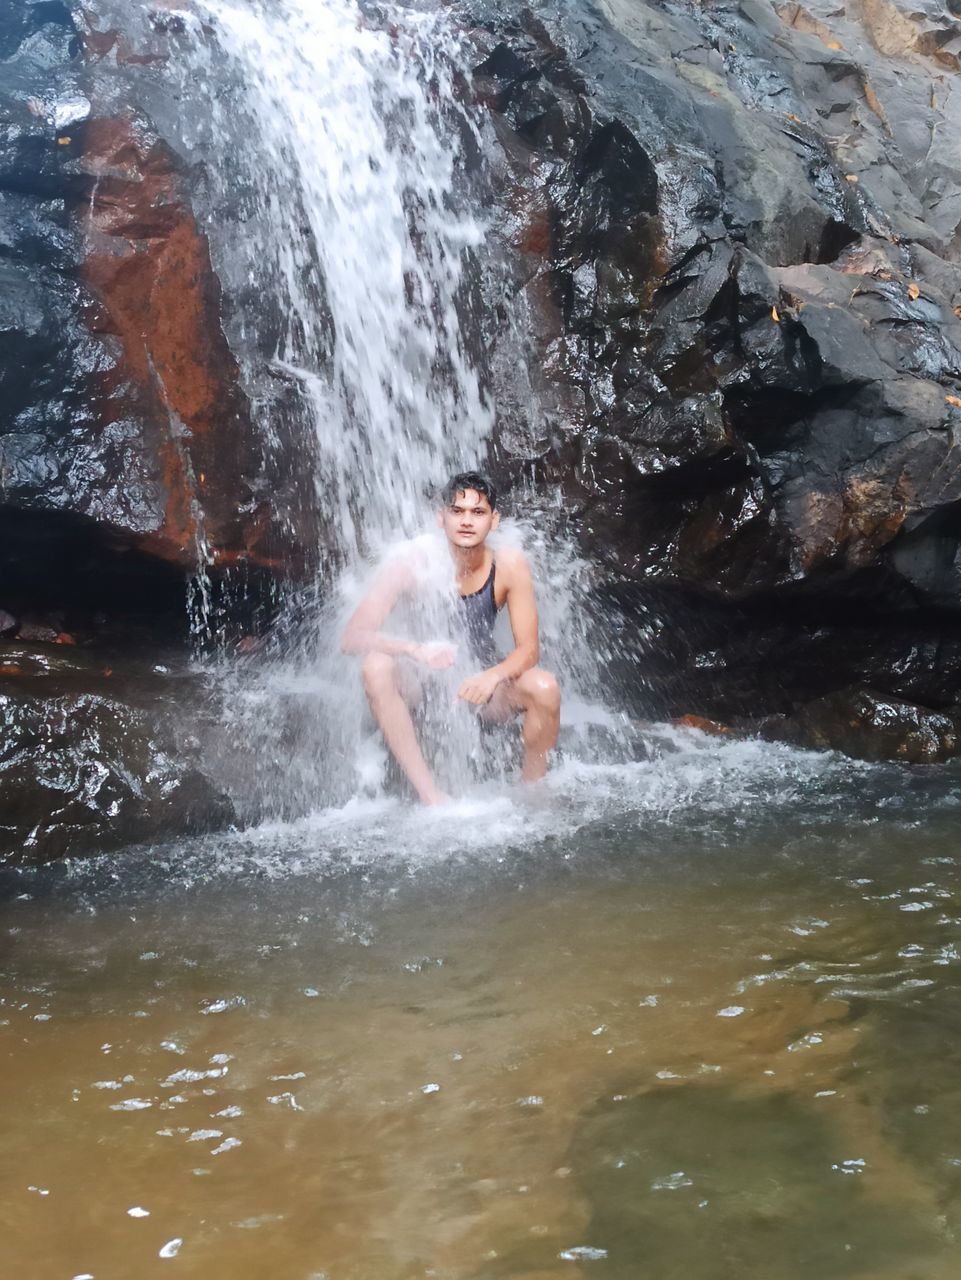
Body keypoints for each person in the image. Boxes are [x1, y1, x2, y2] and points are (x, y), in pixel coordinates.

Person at [341, 471, 561, 805]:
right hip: (420, 688)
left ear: (494, 520)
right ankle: (431, 796)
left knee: (544, 685)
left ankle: (533, 794)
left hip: (481, 690)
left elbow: (529, 650)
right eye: (457, 511)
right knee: (375, 666)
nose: (467, 521)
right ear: (440, 518)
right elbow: (353, 637)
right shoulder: (412, 563)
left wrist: (492, 675)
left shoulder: (509, 565)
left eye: (478, 512)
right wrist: (414, 649)